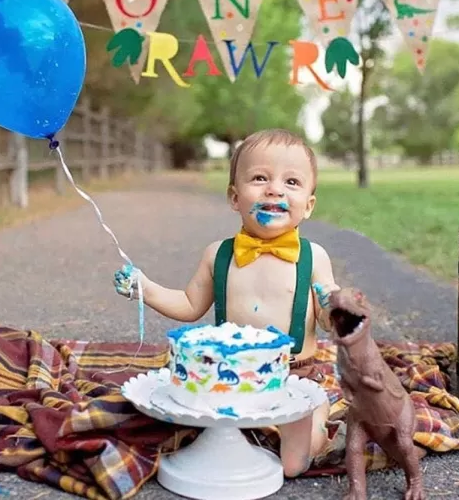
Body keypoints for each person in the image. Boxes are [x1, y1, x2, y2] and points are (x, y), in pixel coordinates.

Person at [114, 128, 342, 477]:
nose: (275, 189)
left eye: (291, 182)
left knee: (294, 463)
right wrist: (144, 288)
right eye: (260, 178)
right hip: (227, 375)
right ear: (235, 198)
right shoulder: (217, 255)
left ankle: (312, 425)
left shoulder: (314, 258)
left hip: (296, 374)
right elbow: (189, 304)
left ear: (308, 205)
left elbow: (328, 320)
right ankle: (240, 436)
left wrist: (332, 305)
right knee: (195, 435)